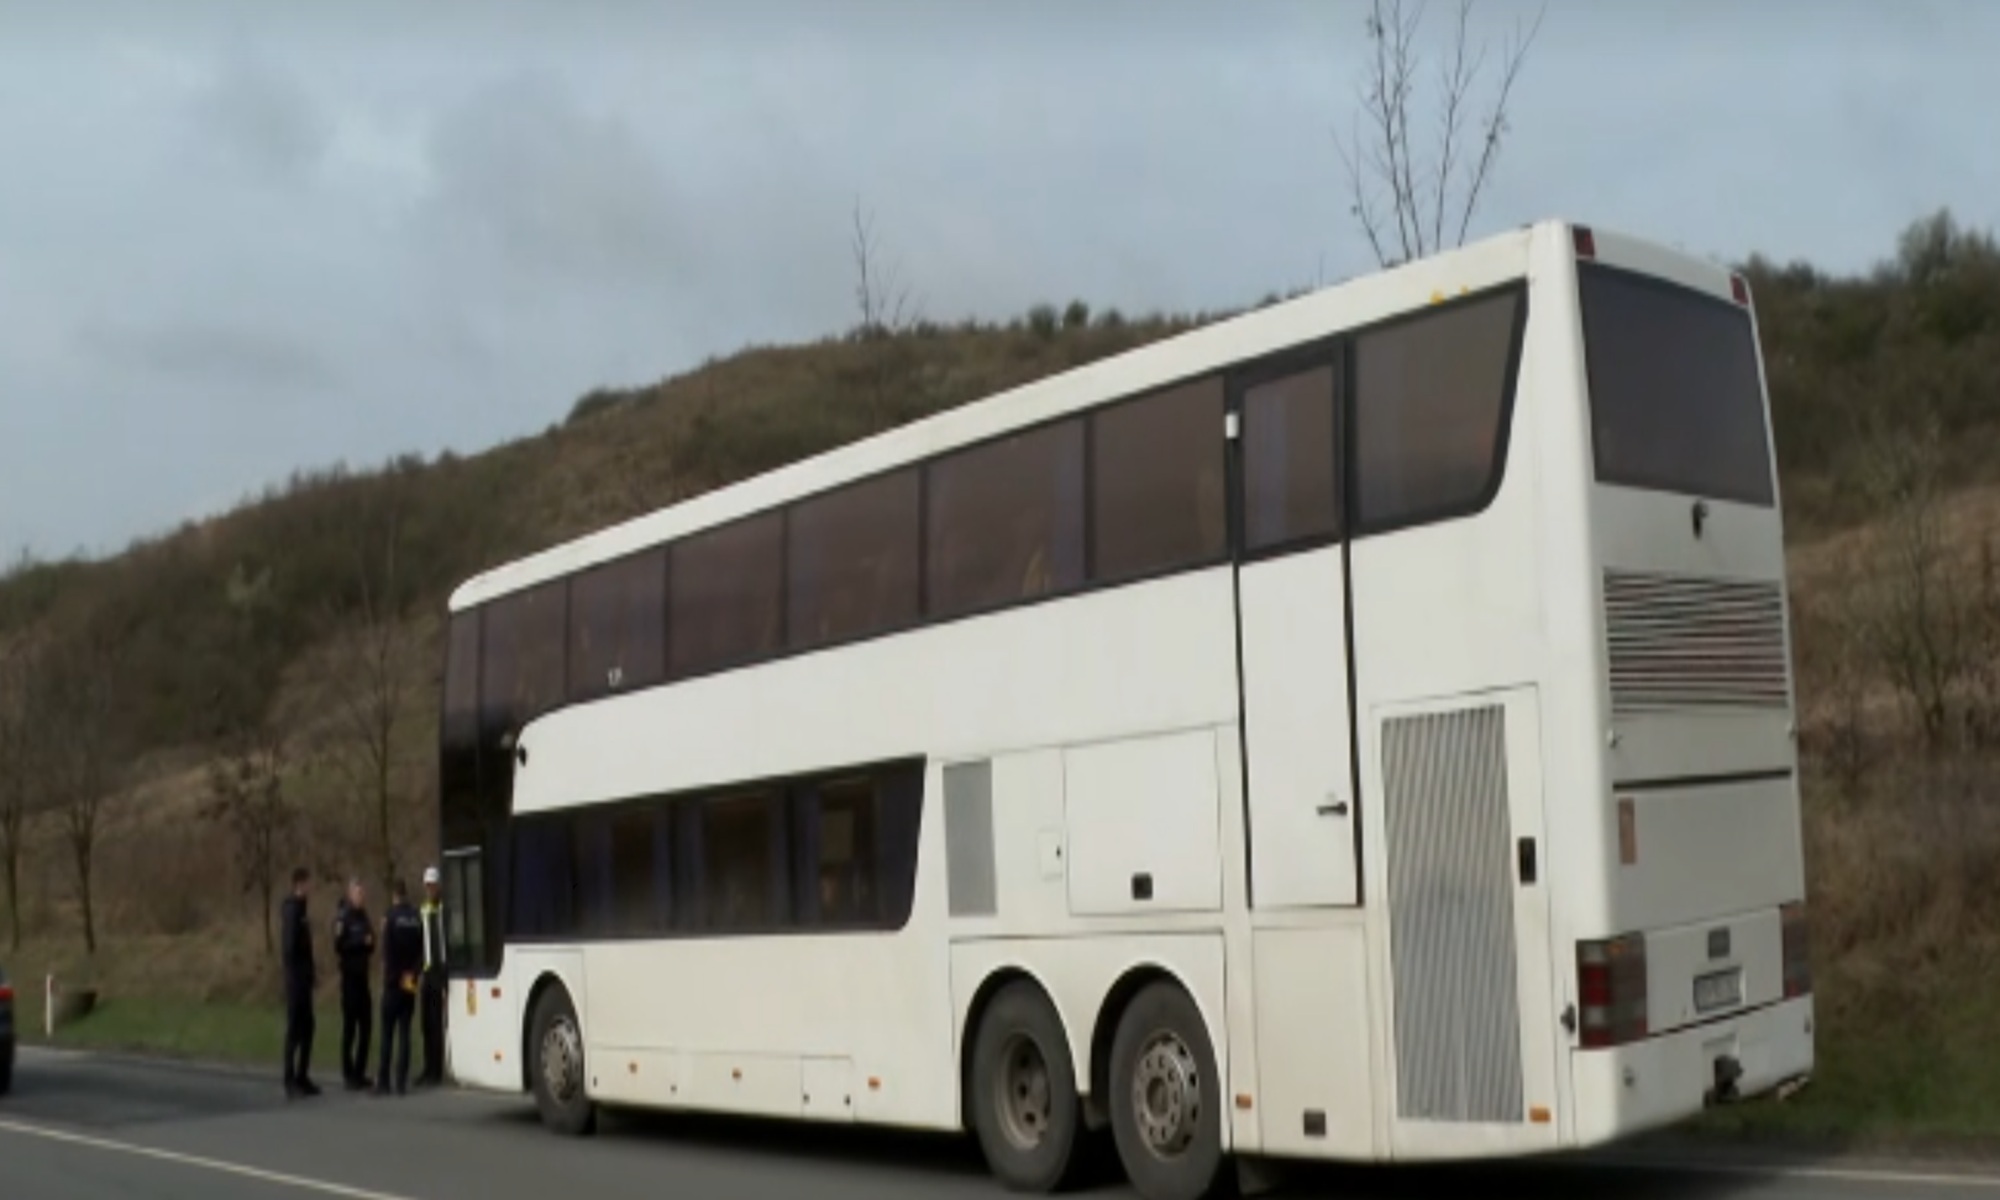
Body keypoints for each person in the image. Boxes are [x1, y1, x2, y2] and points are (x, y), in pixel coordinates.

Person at [375, 878, 424, 1096]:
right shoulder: (416, 917)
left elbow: (387, 952)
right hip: (410, 980)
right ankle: (401, 1082)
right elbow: (422, 951)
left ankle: (384, 1081)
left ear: (394, 895)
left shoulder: (391, 918)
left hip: (393, 982)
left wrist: (389, 978)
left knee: (387, 1032)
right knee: (405, 1032)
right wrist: (413, 973)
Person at [279, 866, 320, 1099]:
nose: (310, 887)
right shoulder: (292, 910)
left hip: (304, 978)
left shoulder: (303, 910)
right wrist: (296, 974)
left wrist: (311, 973)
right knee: (294, 1028)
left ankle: (302, 1075)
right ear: (299, 884)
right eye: (308, 883)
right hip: (296, 979)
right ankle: (289, 1078)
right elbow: (290, 947)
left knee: (308, 1027)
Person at [331, 877, 376, 1091]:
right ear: (350, 895)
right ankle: (348, 1073)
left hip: (363, 978)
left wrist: (369, 943)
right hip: (349, 979)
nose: (361, 897)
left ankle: (360, 1071)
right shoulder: (344, 917)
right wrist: (360, 943)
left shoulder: (364, 916)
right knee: (350, 1028)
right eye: (357, 893)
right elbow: (339, 945)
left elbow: (372, 941)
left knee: (366, 1027)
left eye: (362, 893)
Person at [417, 864, 448, 1086]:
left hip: (440, 973)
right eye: (428, 886)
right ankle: (428, 1068)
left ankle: (436, 1070)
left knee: (437, 1024)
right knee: (425, 1024)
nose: (430, 889)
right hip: (427, 973)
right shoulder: (423, 911)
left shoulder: (445, 910)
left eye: (433, 885)